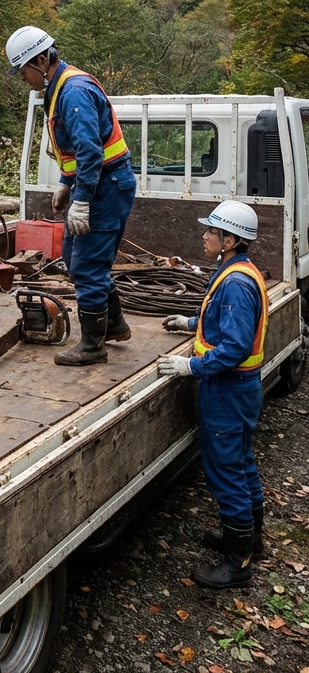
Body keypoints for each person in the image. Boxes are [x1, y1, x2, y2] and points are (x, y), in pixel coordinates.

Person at [6, 26, 136, 365]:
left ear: (40, 60)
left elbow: (91, 152)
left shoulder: (73, 90)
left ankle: (93, 346)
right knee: (75, 256)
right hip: (96, 182)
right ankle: (115, 325)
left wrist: (82, 199)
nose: (24, 79)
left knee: (89, 263)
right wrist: (66, 181)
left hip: (104, 185)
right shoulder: (60, 87)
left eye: (23, 71)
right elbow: (74, 151)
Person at [158, 201, 268, 590]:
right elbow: (226, 320)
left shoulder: (236, 282)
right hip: (238, 390)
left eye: (211, 231)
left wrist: (192, 367)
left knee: (226, 472)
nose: (204, 235)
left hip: (227, 390)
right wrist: (190, 322)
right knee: (241, 462)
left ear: (230, 240)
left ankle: (237, 563)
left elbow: (235, 346)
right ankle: (250, 539)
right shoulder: (238, 272)